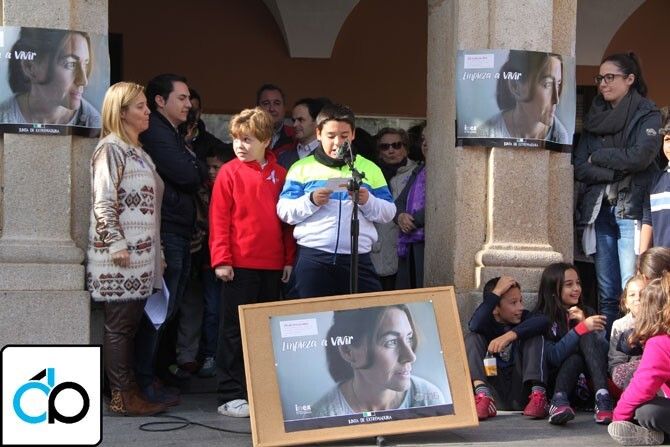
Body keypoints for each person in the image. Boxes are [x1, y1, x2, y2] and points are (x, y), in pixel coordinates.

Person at [209, 107, 296, 418]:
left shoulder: (281, 174)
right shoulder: (228, 172)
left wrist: (288, 259)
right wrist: (221, 259)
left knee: (265, 331)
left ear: (266, 140)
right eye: (236, 139)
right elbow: (219, 219)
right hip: (239, 266)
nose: (240, 145)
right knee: (233, 330)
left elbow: (287, 224)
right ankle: (229, 394)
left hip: (272, 266)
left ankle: (260, 392)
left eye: (247, 139)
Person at [86, 82, 165, 415]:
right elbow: (103, 201)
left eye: (147, 105)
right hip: (119, 259)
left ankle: (128, 393)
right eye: (140, 107)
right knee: (120, 327)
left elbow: (150, 210)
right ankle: (122, 398)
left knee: (128, 327)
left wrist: (158, 253)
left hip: (141, 258)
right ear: (120, 113)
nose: (148, 112)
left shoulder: (138, 152)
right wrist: (116, 243)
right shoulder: (111, 149)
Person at [574, 53, 661, 338]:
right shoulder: (594, 116)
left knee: (632, 288)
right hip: (600, 211)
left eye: (610, 77)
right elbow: (580, 166)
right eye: (600, 78)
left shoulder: (647, 113)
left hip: (631, 209)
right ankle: (610, 350)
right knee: (607, 291)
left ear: (630, 79)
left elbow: (640, 157)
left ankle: (634, 346)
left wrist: (599, 157)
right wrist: (615, 170)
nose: (602, 83)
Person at [134, 74, 206, 405]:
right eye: (182, 98)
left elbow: (194, 170)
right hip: (166, 231)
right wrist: (196, 168)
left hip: (179, 229)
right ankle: (143, 380)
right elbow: (189, 174)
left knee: (170, 308)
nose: (189, 104)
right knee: (157, 309)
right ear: (160, 101)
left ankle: (156, 373)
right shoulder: (157, 133)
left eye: (189, 98)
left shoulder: (172, 133)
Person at [276, 103, 396, 298]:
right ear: (318, 134)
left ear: (353, 134)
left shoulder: (370, 168)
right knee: (310, 313)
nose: (338, 142)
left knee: (367, 313)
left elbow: (389, 212)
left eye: (344, 135)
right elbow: (284, 211)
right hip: (313, 256)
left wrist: (367, 201)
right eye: (331, 136)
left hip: (357, 257)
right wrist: (311, 200)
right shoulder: (301, 168)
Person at [310, 305, 445, 417]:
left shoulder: (429, 399)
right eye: (391, 342)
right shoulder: (322, 417)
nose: (411, 356)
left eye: (409, 338)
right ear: (348, 352)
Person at [533, 262, 613, 425]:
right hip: (558, 382)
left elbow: (605, 352)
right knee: (575, 357)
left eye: (578, 283)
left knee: (585, 336)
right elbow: (552, 357)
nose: (576, 288)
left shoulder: (587, 312)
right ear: (553, 290)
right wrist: (579, 329)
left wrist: (584, 323)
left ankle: (603, 398)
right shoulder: (542, 318)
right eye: (569, 285)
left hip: (590, 384)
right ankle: (558, 402)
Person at [465, 276, 550, 421]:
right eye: (513, 303)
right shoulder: (485, 325)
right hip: (494, 394)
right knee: (472, 338)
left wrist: (510, 335)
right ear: (495, 309)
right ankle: (482, 395)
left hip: (523, 395)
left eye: (521, 301)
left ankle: (538, 395)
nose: (520, 307)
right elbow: (474, 325)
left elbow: (544, 321)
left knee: (535, 335)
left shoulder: (525, 318)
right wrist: (497, 291)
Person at [608, 275, 670, 446]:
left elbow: (642, 387)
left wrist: (618, 418)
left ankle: (662, 437)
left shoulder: (660, 342)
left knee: (645, 412)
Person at [0, 28, 100, 128]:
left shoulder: (95, 124)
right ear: (29, 67)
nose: (84, 81)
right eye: (70, 64)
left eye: (85, 64)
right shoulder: (3, 118)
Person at [478, 52, 569, 144]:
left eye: (558, 84)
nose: (556, 100)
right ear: (515, 86)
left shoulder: (559, 136)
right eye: (547, 84)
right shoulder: (487, 133)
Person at [370, 128, 418, 290]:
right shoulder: (370, 175)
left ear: (406, 148)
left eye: (396, 145)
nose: (391, 150)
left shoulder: (418, 173)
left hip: (406, 248)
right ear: (379, 151)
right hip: (377, 250)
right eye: (385, 147)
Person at [395, 126, 427, 289]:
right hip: (410, 243)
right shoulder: (420, 169)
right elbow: (399, 202)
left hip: (426, 242)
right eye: (423, 139)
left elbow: (441, 205)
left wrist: (413, 220)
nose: (425, 144)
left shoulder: (447, 170)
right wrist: (401, 216)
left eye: (431, 139)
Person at [608, 275, 644, 391]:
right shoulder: (620, 325)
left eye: (643, 293)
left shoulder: (658, 321)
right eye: (632, 295)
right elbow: (616, 362)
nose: (638, 298)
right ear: (626, 302)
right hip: (629, 373)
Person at [640, 116, 670, 252]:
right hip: (661, 260)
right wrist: (642, 259)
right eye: (667, 140)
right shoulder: (656, 181)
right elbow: (648, 221)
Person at [278, 97, 327, 169]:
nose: (295, 125)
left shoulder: (329, 156)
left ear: (317, 122)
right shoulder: (284, 158)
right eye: (294, 120)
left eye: (300, 120)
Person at [256, 83, 296, 158]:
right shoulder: (248, 136)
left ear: (284, 109)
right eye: (266, 103)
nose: (272, 109)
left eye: (277, 103)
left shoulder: (295, 135)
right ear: (257, 109)